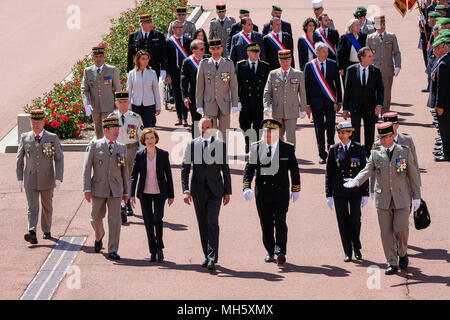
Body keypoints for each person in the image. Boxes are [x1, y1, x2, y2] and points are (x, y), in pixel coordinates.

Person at [344, 122, 421, 275]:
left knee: (401, 228)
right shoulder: (376, 153)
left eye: (385, 137)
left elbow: (413, 174)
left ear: (392, 136)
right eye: (380, 137)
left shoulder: (404, 152)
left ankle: (403, 252)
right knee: (385, 232)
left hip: (402, 197)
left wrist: (417, 196)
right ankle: (391, 262)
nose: (382, 140)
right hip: (383, 198)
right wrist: (356, 180)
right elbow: (367, 169)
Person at [243, 119, 301, 266]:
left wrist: (296, 188)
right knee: (266, 223)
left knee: (280, 221)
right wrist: (246, 186)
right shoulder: (256, 148)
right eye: (266, 132)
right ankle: (270, 250)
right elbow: (249, 168)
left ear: (278, 133)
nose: (268, 134)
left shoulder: (287, 148)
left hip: (280, 192)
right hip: (263, 192)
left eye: (272, 132)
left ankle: (280, 250)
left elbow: (294, 169)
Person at [181, 117, 232, 271]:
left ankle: (212, 257)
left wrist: (227, 191)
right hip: (198, 192)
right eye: (203, 128)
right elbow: (185, 168)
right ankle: (207, 254)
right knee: (202, 224)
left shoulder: (220, 145)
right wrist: (185, 190)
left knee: (212, 222)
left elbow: (225, 169)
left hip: (215, 191)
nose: (205, 130)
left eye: (208, 127)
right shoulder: (192, 145)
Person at [82, 117, 129, 261]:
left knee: (115, 221)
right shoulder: (95, 146)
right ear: (106, 131)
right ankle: (99, 235)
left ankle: (113, 249)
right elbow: (87, 168)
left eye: (117, 129)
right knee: (95, 218)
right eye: (114, 129)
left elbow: (124, 171)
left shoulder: (121, 147)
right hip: (98, 187)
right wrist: (87, 189)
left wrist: (126, 191)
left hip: (116, 189)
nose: (117, 132)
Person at [17, 109, 64, 244]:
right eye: (33, 122)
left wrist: (58, 177)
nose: (36, 125)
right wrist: (19, 178)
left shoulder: (52, 137)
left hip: (47, 178)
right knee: (32, 206)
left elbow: (59, 158)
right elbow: (19, 159)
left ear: (44, 122)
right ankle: (32, 232)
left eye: (38, 122)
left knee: (47, 206)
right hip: (30, 178)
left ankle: (46, 229)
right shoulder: (25, 137)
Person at [326, 122, 368, 262]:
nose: (341, 135)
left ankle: (356, 245)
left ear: (350, 133)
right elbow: (329, 173)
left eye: (343, 132)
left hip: (355, 191)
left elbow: (365, 171)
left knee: (355, 220)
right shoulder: (333, 149)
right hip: (339, 191)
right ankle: (347, 251)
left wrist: (365, 193)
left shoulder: (359, 148)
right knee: (342, 221)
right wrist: (328, 194)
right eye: (339, 133)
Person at [130, 128, 174, 262]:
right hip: (145, 193)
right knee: (148, 223)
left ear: (156, 139)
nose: (150, 140)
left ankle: (159, 246)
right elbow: (134, 176)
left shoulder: (163, 154)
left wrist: (171, 194)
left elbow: (169, 175)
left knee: (157, 219)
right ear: (143, 140)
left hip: (160, 192)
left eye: (152, 138)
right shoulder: (139, 155)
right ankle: (153, 251)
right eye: (147, 138)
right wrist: (131, 194)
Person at [108, 91, 144, 222]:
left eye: (124, 102)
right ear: (116, 103)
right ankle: (120, 204)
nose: (122, 104)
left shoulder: (135, 117)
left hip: (131, 149)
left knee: (128, 176)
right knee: (117, 176)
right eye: (120, 102)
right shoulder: (111, 118)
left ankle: (127, 203)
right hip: (117, 149)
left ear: (128, 102)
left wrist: (143, 151)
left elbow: (141, 135)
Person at [304, 42, 342, 164]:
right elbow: (306, 87)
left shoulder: (332, 64)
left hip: (330, 102)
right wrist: (307, 104)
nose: (327, 53)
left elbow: (337, 84)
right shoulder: (310, 66)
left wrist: (339, 100)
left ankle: (331, 150)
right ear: (317, 52)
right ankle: (322, 154)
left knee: (331, 127)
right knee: (319, 129)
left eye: (327, 51)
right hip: (316, 103)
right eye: (324, 51)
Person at [343, 47, 384, 155]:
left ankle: (368, 155)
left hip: (370, 107)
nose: (372, 58)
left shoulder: (376, 71)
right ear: (362, 58)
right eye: (369, 56)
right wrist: (345, 108)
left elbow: (380, 90)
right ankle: (357, 154)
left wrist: (379, 104)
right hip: (355, 107)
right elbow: (347, 90)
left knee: (369, 132)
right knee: (355, 132)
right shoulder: (351, 70)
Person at [196, 39, 239, 140]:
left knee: (224, 133)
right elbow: (200, 86)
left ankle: (223, 154)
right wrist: (199, 105)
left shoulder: (229, 64)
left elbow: (233, 85)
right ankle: (212, 154)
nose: (216, 51)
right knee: (210, 132)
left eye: (218, 48)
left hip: (224, 103)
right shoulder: (204, 64)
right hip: (209, 103)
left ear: (222, 49)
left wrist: (235, 103)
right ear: (210, 50)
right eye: (213, 49)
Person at [263, 49, 307, 146]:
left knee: (291, 137)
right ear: (279, 61)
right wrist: (266, 106)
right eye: (283, 61)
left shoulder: (298, 74)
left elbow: (302, 93)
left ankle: (290, 159)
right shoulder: (273, 74)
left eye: (287, 61)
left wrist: (303, 109)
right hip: (277, 110)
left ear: (291, 60)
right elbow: (267, 91)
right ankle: (279, 157)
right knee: (278, 136)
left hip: (292, 110)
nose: (285, 63)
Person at [370, 112, 421, 195]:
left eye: (391, 125)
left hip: (404, 187)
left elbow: (414, 164)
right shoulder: (378, 144)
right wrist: (372, 189)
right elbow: (373, 168)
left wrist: (418, 185)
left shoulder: (407, 140)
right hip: (385, 190)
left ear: (397, 125)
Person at [235, 43, 271, 153]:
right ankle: (247, 141)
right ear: (248, 53)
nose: (256, 54)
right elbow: (236, 84)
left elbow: (268, 86)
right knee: (243, 123)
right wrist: (238, 100)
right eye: (253, 52)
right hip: (245, 101)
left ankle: (255, 144)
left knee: (258, 125)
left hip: (258, 101)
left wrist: (268, 102)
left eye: (257, 52)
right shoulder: (241, 65)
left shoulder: (265, 66)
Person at [81, 46, 121, 139]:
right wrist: (87, 104)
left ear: (104, 57)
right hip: (95, 109)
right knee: (98, 133)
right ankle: (100, 152)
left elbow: (118, 89)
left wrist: (117, 106)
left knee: (109, 132)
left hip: (109, 108)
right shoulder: (88, 71)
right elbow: (84, 89)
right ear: (93, 58)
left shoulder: (112, 70)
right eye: (96, 57)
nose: (98, 59)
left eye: (100, 56)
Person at [367, 16, 402, 114]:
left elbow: (396, 52)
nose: (382, 26)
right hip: (374, 69)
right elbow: (367, 53)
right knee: (374, 92)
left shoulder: (391, 36)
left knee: (386, 93)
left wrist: (398, 66)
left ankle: (385, 112)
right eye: (379, 24)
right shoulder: (370, 38)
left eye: (383, 24)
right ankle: (375, 112)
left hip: (387, 69)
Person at [166, 21, 193, 127]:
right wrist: (167, 74)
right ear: (173, 29)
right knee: (176, 95)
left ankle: (185, 118)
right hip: (174, 72)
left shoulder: (189, 41)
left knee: (185, 94)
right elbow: (166, 59)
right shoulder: (169, 42)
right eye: (177, 27)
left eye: (181, 27)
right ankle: (179, 117)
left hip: (186, 72)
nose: (180, 29)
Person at [181, 40, 210, 138]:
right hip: (194, 96)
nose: (204, 50)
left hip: (209, 95)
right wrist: (185, 97)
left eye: (204, 48)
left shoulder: (209, 59)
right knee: (197, 121)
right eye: (201, 49)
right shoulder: (187, 62)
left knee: (210, 121)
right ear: (194, 50)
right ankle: (197, 146)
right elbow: (184, 81)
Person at [127, 50, 162, 128]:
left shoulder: (152, 73)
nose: (146, 61)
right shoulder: (131, 73)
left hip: (149, 105)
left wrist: (158, 107)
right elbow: (128, 91)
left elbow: (156, 91)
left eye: (147, 58)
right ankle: (135, 141)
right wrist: (128, 107)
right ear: (138, 60)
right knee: (134, 128)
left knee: (147, 128)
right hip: (136, 105)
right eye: (143, 59)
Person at [127, 14, 167, 78]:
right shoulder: (133, 36)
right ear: (142, 24)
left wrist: (163, 69)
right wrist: (129, 71)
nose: (151, 25)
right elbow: (130, 55)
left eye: (151, 22)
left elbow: (164, 54)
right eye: (148, 23)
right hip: (138, 70)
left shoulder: (159, 35)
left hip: (155, 69)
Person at [337, 19, 367, 83]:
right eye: (356, 25)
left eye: (359, 25)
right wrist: (340, 68)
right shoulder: (344, 38)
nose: (358, 26)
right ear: (351, 27)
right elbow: (339, 54)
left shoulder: (363, 37)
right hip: (347, 66)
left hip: (361, 65)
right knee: (348, 87)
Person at [435, 34, 450, 161]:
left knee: (445, 130)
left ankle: (447, 153)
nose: (435, 51)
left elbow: (441, 87)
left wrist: (439, 105)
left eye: (437, 48)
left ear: (444, 48)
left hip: (445, 104)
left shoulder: (443, 64)